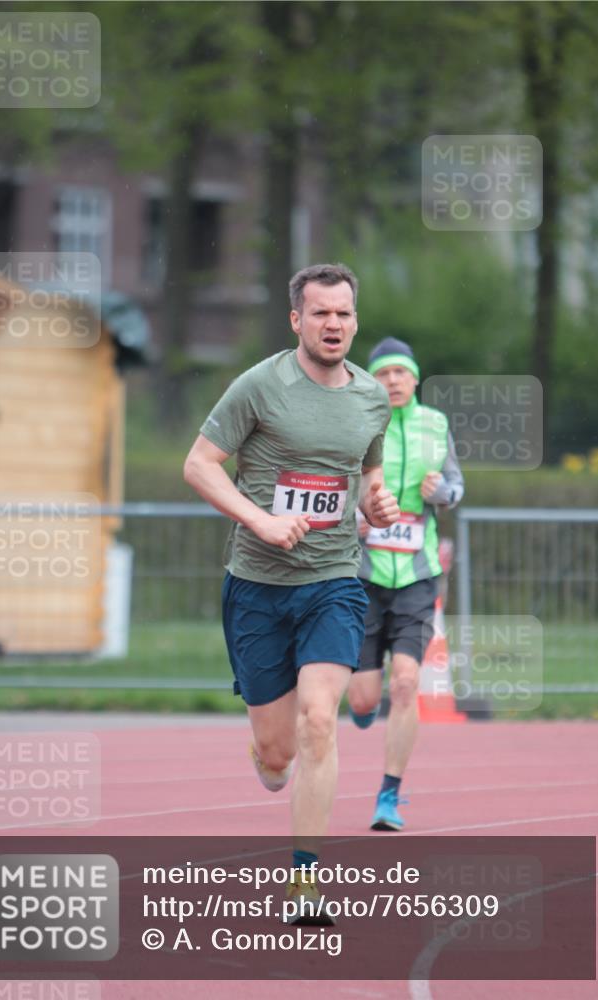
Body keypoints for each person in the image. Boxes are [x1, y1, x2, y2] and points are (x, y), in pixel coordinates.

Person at [184, 263, 399, 922]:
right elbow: (198, 465)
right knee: (278, 756)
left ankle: (305, 883)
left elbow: (364, 473)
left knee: (317, 722)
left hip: (333, 581)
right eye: (321, 313)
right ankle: (263, 748)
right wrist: (261, 519)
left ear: (354, 320)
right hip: (255, 586)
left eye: (343, 313)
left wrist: (377, 502)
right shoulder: (259, 386)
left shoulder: (371, 397)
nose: (333, 324)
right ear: (296, 320)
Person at [347, 336, 464, 832]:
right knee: (363, 700)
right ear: (371, 381)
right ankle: (361, 704)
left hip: (416, 575)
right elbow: (337, 485)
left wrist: (443, 492)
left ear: (415, 378)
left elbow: (456, 487)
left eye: (400, 372)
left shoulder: (435, 425)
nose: (392, 381)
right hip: (364, 574)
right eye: (383, 373)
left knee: (407, 682)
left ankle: (389, 796)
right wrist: (353, 516)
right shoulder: (357, 423)